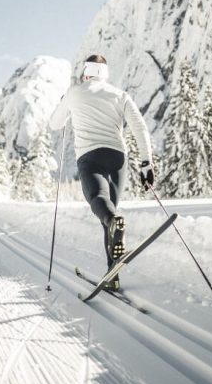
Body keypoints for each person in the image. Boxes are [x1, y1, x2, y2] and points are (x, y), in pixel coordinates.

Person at [49, 54, 155, 291]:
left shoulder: (75, 92)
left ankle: (112, 261)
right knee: (111, 215)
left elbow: (55, 124)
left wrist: (64, 102)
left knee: (101, 203)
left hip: (90, 157)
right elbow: (139, 127)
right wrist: (147, 163)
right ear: (105, 74)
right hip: (118, 157)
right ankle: (112, 273)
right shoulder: (120, 95)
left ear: (86, 72)